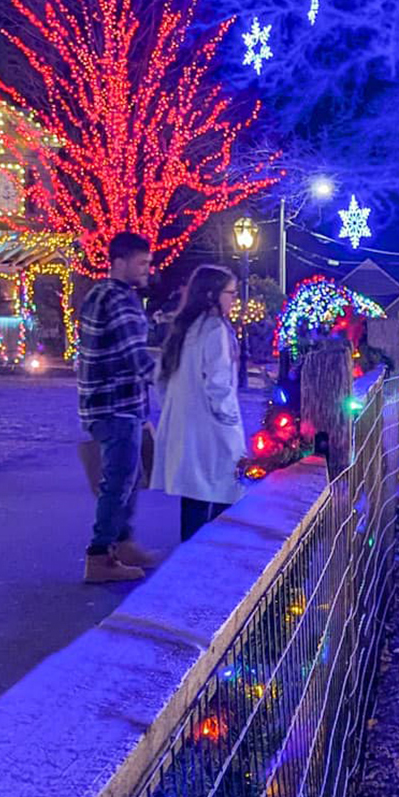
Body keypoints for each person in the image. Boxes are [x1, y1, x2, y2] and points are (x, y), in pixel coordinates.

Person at [77, 231, 162, 583]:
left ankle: (123, 542)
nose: (148, 269)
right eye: (141, 263)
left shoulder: (101, 293)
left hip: (110, 402)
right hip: (115, 404)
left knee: (126, 477)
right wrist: (170, 379)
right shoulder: (120, 300)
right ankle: (100, 556)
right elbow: (135, 356)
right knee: (120, 480)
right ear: (119, 262)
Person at [155, 265, 246, 541]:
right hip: (212, 432)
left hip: (185, 429)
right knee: (225, 494)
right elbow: (219, 384)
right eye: (230, 293)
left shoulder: (183, 328)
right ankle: (211, 564)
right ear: (211, 295)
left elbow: (161, 378)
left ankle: (188, 561)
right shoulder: (215, 329)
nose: (233, 300)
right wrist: (230, 423)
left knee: (193, 500)